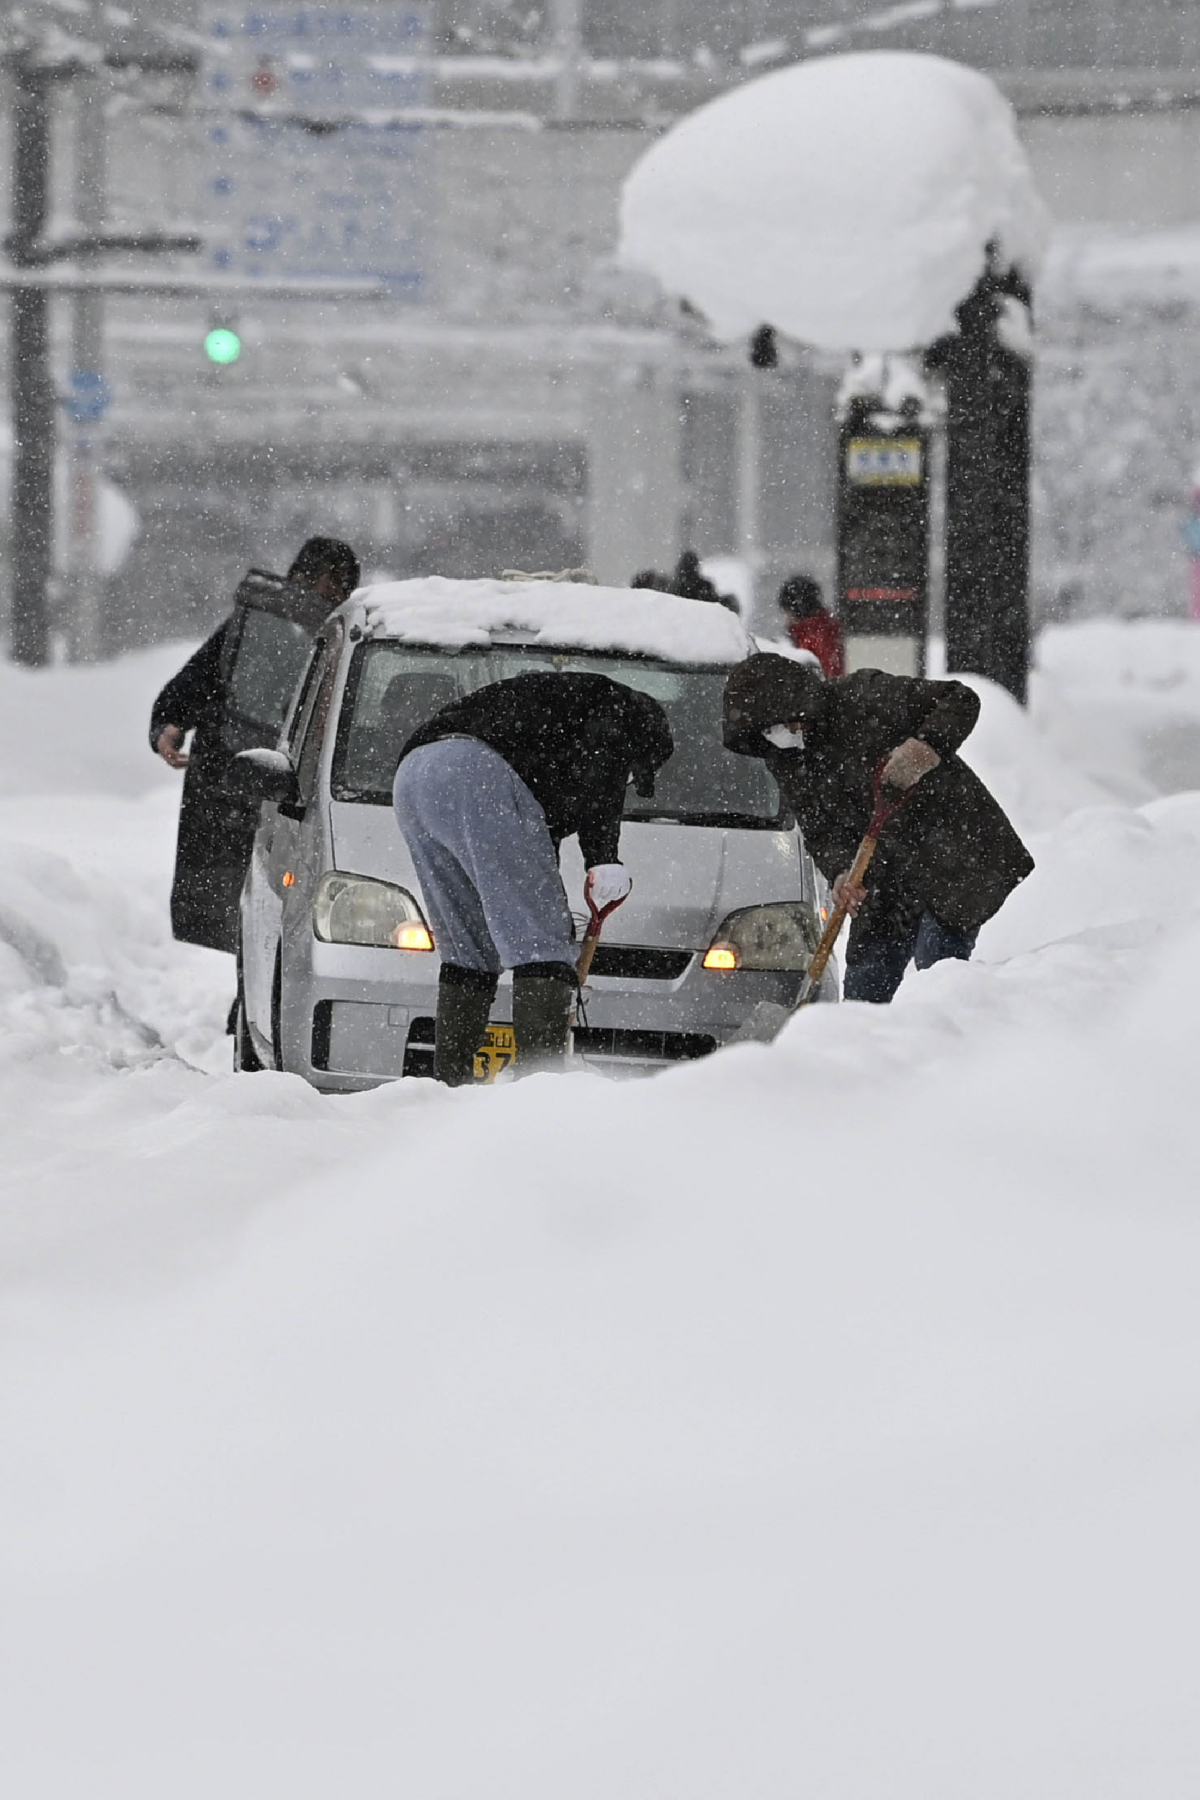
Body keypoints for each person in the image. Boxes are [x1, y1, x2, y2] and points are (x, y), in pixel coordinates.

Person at [393, 672, 673, 1084]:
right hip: (477, 774)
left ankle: (448, 1084)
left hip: (414, 778)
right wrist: (602, 857)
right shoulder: (619, 709)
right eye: (633, 774)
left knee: (468, 947)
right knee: (542, 946)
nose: (626, 783)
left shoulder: (552, 731)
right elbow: (605, 767)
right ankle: (540, 1087)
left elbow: (533, 848)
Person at [722, 653, 1033, 1003]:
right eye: (768, 730)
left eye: (782, 722)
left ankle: (938, 1048)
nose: (782, 734)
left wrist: (923, 749)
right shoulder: (785, 757)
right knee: (865, 985)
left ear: (798, 702)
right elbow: (821, 829)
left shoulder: (863, 696)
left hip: (949, 849)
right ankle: (858, 1051)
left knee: (938, 975)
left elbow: (959, 700)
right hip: (883, 873)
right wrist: (841, 871)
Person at [150, 536, 361, 956]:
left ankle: (254, 992)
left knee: (280, 908)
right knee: (238, 904)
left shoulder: (340, 640)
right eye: (330, 582)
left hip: (293, 797)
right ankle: (248, 993)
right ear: (300, 577)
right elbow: (197, 682)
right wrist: (168, 725)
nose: (335, 594)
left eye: (345, 586)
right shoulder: (257, 630)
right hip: (231, 786)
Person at [777, 574, 845, 678]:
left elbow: (826, 671)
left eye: (788, 612)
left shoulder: (814, 635)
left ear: (797, 610)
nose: (787, 619)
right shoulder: (825, 629)